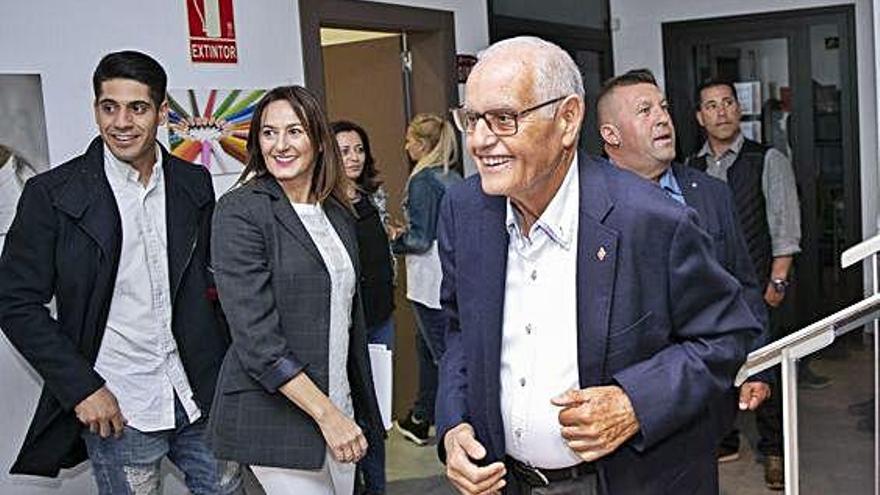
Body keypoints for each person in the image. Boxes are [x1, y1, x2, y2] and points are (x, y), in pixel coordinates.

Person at [438, 36, 761, 495]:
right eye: (472, 120)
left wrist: (635, 402)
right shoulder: (464, 211)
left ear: (568, 119)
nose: (480, 141)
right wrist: (454, 425)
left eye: (504, 119)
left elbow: (726, 336)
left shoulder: (652, 220)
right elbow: (459, 332)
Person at [0, 51, 240, 494]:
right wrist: (81, 388)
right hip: (120, 407)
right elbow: (14, 302)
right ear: (96, 109)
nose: (121, 122)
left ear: (162, 112)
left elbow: (211, 285)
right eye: (109, 107)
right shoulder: (52, 195)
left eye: (138, 108)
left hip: (200, 397)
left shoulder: (194, 182)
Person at [208, 86, 383, 495]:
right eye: (269, 133)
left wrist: (351, 410)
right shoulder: (241, 211)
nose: (280, 145)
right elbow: (257, 341)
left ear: (320, 141)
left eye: (294, 132)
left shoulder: (337, 212)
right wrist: (327, 415)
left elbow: (347, 318)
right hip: (276, 416)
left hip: (340, 404)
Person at [596, 67, 771, 463]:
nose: (662, 119)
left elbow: (742, 284)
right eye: (644, 111)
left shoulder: (711, 193)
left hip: (705, 398)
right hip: (625, 410)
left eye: (664, 107)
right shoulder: (588, 205)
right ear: (611, 136)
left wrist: (758, 364)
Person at [689, 78, 803, 490]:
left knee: (767, 370)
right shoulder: (691, 168)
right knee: (717, 367)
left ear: (739, 109)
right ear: (700, 117)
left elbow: (785, 224)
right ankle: (725, 439)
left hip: (758, 287)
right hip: (709, 293)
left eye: (728, 103)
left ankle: (775, 450)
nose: (721, 112)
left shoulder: (766, 159)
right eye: (711, 106)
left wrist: (778, 278)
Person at [390, 113, 462, 446]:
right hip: (451, 276)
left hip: (429, 281)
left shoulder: (422, 181)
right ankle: (421, 416)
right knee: (427, 346)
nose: (406, 147)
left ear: (422, 144)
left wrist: (393, 240)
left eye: (408, 141)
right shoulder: (453, 177)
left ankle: (458, 424)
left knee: (444, 355)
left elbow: (420, 240)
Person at [332, 120, 395, 495]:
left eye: (359, 149)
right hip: (345, 328)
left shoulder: (375, 195)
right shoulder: (321, 204)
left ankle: (378, 489)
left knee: (377, 417)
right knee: (349, 417)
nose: (354, 158)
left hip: (380, 320)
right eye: (344, 151)